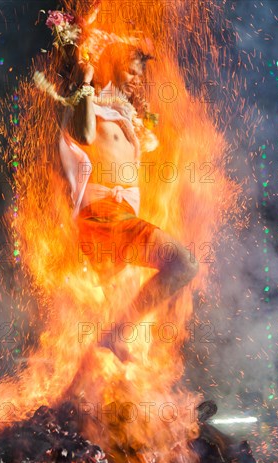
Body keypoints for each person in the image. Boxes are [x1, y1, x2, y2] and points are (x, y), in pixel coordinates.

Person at [60, 43, 198, 361]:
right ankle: (116, 333)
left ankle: (109, 344)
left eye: (139, 73)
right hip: (102, 215)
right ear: (111, 66)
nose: (136, 78)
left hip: (117, 214)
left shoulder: (124, 114)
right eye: (130, 70)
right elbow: (82, 134)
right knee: (184, 263)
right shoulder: (88, 102)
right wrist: (84, 82)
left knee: (182, 265)